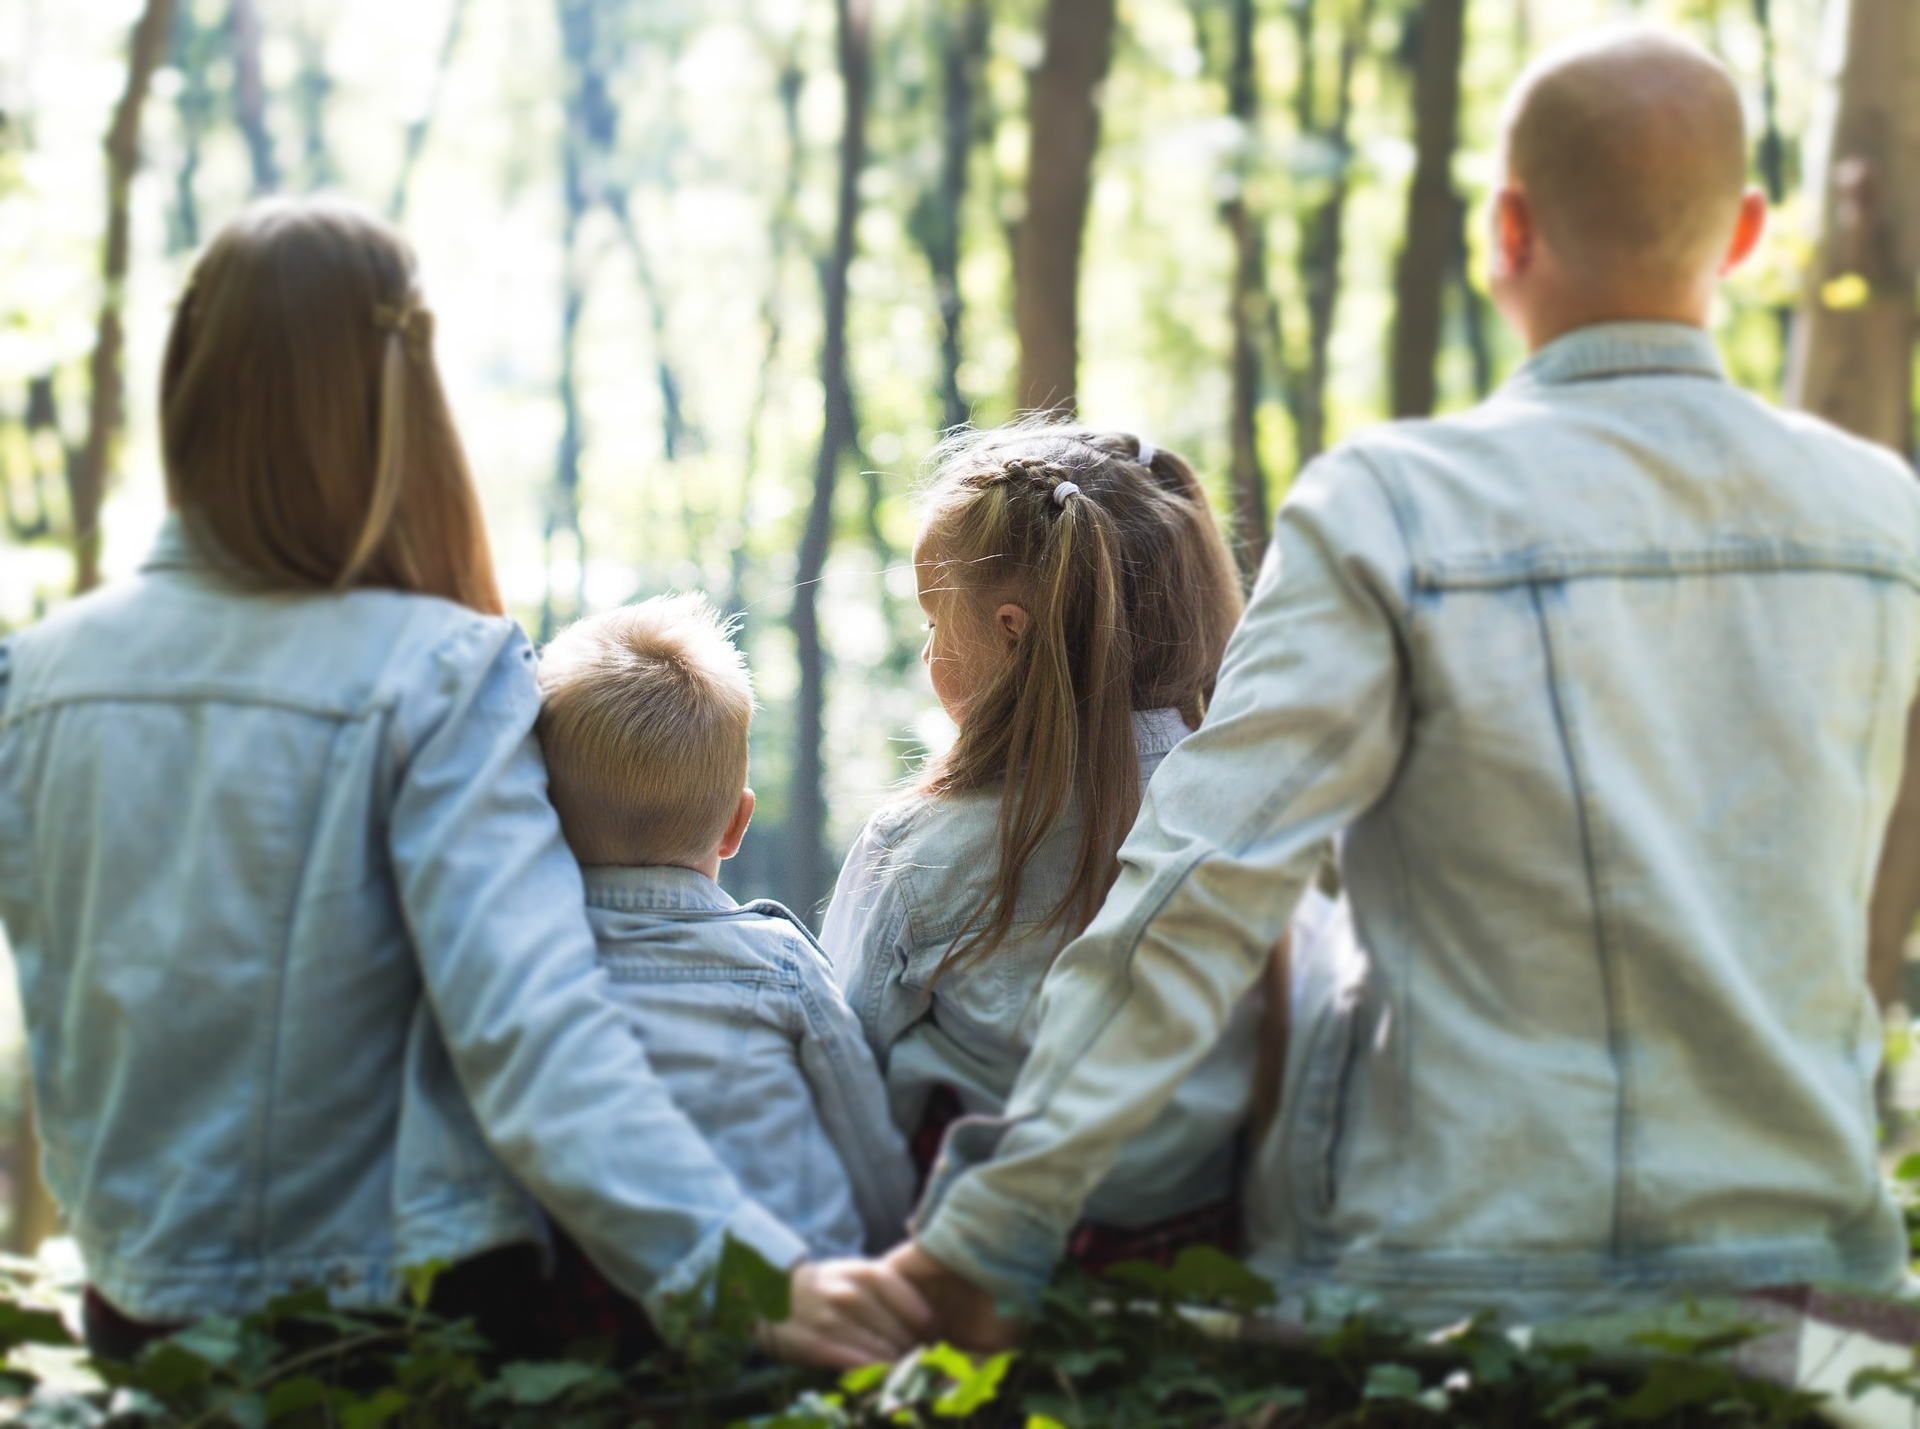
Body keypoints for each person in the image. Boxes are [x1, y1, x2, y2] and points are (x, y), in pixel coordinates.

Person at [886, 27, 1920, 1340]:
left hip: (1455, 1294)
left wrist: (991, 1232)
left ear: (1506, 228)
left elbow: (1200, 889)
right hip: (1805, 1294)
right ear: (1745, 235)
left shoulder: (1395, 508)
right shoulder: (1884, 519)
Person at [0, 198, 928, 1369]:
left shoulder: (32, 675)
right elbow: (531, 1028)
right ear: (399, 401)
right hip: (389, 1325)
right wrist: (738, 1273)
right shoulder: (438, 672)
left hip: (140, 1314)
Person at [822, 422, 1333, 1269]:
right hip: (1199, 1248)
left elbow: (847, 1067)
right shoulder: (1267, 821)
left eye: (934, 621)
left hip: (978, 1267)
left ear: (1012, 632)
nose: (925, 651)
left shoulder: (916, 847)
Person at [535, 593, 915, 1264]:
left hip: (580, 1305)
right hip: (783, 1300)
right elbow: (869, 1150)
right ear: (738, 825)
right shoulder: (780, 963)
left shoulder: (512, 964)